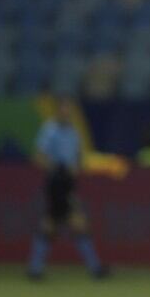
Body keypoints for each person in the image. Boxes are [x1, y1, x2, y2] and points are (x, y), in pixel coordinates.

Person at [27, 99, 106, 280]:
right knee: (77, 223)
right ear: (58, 111)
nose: (66, 113)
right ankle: (95, 268)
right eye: (63, 110)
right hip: (56, 182)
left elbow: (77, 157)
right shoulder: (50, 130)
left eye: (68, 110)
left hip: (68, 182)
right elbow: (38, 156)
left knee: (51, 224)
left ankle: (35, 269)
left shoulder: (73, 132)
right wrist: (56, 167)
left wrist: (75, 167)